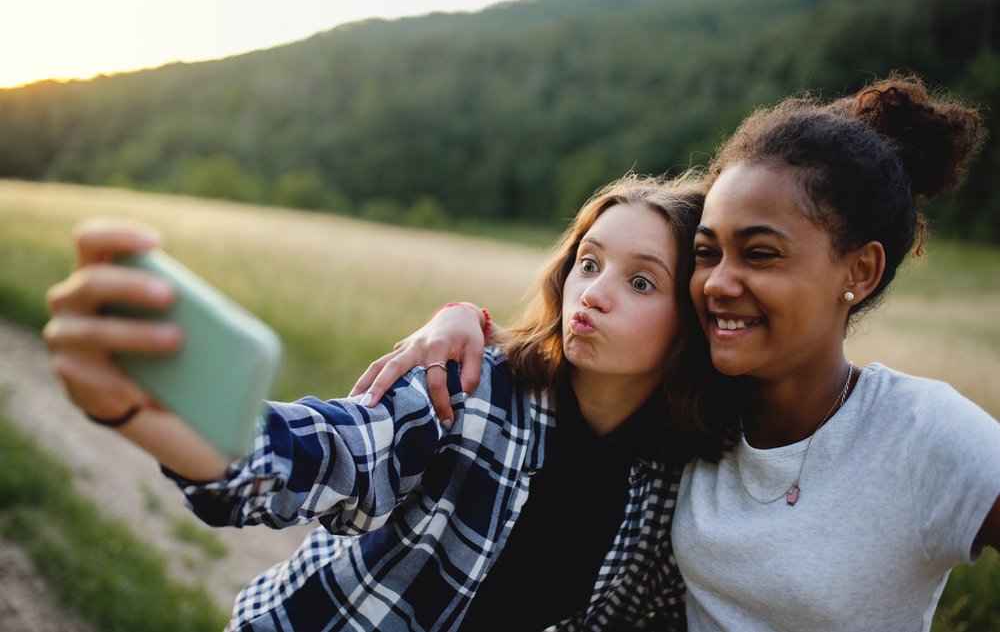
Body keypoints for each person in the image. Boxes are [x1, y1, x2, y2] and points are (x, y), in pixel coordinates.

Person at [353, 75, 1000, 630]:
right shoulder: (691, 418)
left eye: (761, 253)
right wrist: (463, 319)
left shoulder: (920, 433)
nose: (718, 281)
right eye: (708, 251)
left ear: (858, 272)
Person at [43, 174, 736, 631]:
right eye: (589, 261)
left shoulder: (673, 488)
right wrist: (150, 414)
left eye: (642, 282)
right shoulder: (475, 388)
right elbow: (336, 452)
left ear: (692, 319)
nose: (596, 292)